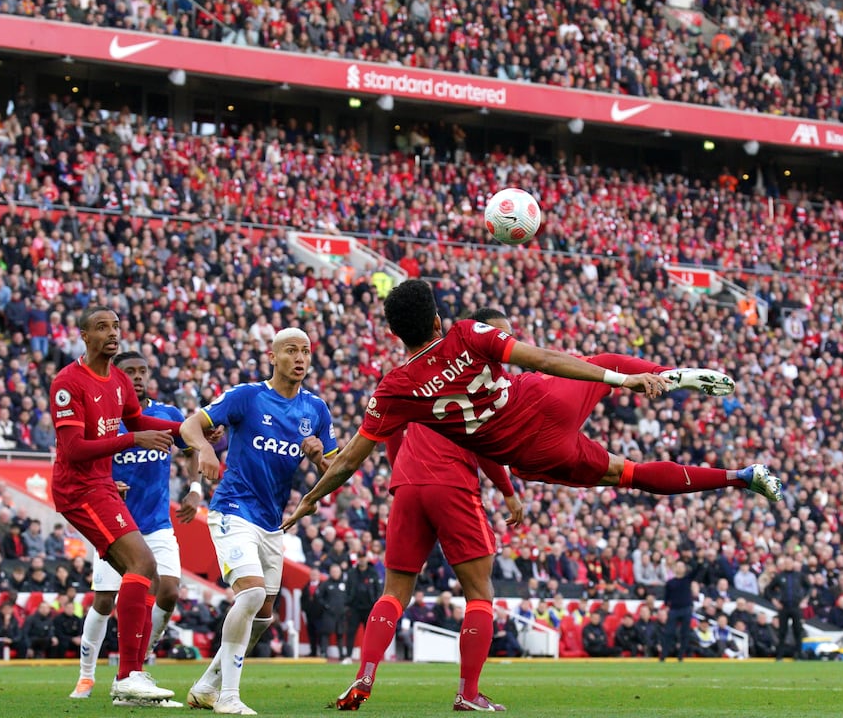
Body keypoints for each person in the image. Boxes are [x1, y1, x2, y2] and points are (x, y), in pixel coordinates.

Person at [285, 280, 780, 532]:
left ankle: (740, 476)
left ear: (395, 333)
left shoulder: (394, 391)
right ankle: (662, 374)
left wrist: (310, 500)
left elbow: (349, 460)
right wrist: (622, 381)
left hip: (535, 453)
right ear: (437, 318)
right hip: (542, 398)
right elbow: (543, 357)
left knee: (630, 474)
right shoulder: (465, 332)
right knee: (602, 359)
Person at [334, 310, 521, 713]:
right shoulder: (473, 371)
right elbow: (485, 443)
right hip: (452, 482)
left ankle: (364, 675)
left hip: (407, 485)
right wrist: (508, 492)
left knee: (395, 592)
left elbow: (388, 434)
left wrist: (404, 474)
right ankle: (468, 693)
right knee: (479, 594)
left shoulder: (406, 378)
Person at [180, 326, 337, 715]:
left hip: (271, 521)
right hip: (233, 508)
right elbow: (189, 426)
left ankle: (205, 686)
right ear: (272, 356)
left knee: (264, 616)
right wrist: (206, 450)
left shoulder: (315, 410)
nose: (299, 358)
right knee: (249, 595)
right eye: (290, 350)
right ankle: (228, 697)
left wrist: (319, 459)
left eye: (305, 351)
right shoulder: (247, 397)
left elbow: (336, 469)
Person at [48, 306, 183, 704]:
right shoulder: (68, 382)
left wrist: (190, 429)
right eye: (102, 327)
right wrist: (130, 441)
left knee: (143, 573)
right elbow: (72, 450)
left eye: (116, 327)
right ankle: (123, 676)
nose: (112, 333)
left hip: (102, 486)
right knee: (140, 567)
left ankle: (132, 682)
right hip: (78, 491)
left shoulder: (120, 380)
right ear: (84, 337)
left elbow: (139, 421)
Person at [71, 350, 200, 705]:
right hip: (116, 523)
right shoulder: (107, 419)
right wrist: (107, 484)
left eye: (143, 371)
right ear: (118, 375)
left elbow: (191, 448)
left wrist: (194, 489)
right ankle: (86, 675)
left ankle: (137, 665)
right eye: (130, 371)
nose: (138, 377)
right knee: (103, 600)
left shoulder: (167, 414)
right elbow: (84, 458)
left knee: (169, 591)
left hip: (157, 523)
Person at [767, 558, 811, 661]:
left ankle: (799, 655)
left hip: (796, 607)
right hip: (784, 607)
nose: (788, 565)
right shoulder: (780, 576)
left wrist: (805, 599)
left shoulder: (799, 576)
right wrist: (774, 600)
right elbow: (769, 589)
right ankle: (779, 656)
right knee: (782, 631)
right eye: (786, 563)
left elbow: (809, 587)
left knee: (798, 631)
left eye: (790, 563)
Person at [661, 561, 697, 662]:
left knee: (685, 634)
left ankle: (681, 656)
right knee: (669, 632)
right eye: (678, 566)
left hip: (686, 608)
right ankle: (664, 655)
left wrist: (698, 560)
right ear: (674, 568)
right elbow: (666, 597)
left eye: (682, 566)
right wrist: (667, 606)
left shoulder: (687, 579)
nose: (680, 568)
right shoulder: (670, 582)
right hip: (674, 609)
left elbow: (697, 570)